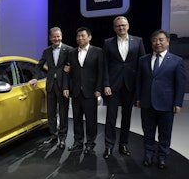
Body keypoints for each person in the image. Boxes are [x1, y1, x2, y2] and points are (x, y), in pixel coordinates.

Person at [136, 29, 186, 169]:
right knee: (148, 132)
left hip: (167, 104)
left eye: (161, 40)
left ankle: (162, 157)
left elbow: (180, 84)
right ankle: (148, 155)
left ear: (167, 42)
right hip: (147, 103)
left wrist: (177, 102)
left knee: (165, 133)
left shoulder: (177, 61)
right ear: (151, 42)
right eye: (154, 40)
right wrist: (138, 98)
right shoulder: (143, 60)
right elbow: (139, 81)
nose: (157, 43)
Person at [102, 16, 146, 159]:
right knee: (110, 117)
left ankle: (123, 144)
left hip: (130, 85)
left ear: (128, 26)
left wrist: (139, 87)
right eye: (118, 26)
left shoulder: (138, 41)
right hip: (113, 86)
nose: (121, 28)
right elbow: (105, 66)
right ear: (114, 28)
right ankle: (109, 146)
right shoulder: (107, 43)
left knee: (126, 116)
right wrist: (106, 84)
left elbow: (142, 64)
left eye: (123, 25)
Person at [29, 27, 73, 149]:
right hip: (50, 86)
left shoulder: (69, 50)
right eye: (54, 36)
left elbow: (74, 67)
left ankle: (62, 138)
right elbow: (39, 66)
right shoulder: (47, 51)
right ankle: (53, 136)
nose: (56, 38)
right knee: (51, 113)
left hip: (63, 86)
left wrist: (70, 72)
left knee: (63, 113)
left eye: (58, 36)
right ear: (50, 38)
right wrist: (35, 78)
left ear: (61, 36)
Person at [63, 27, 104, 154]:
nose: (80, 38)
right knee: (76, 119)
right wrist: (65, 87)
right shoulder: (71, 53)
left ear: (89, 37)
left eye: (83, 36)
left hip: (91, 92)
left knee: (91, 120)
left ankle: (90, 143)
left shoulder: (98, 52)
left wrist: (98, 89)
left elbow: (101, 72)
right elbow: (67, 72)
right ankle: (78, 142)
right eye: (78, 36)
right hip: (75, 92)